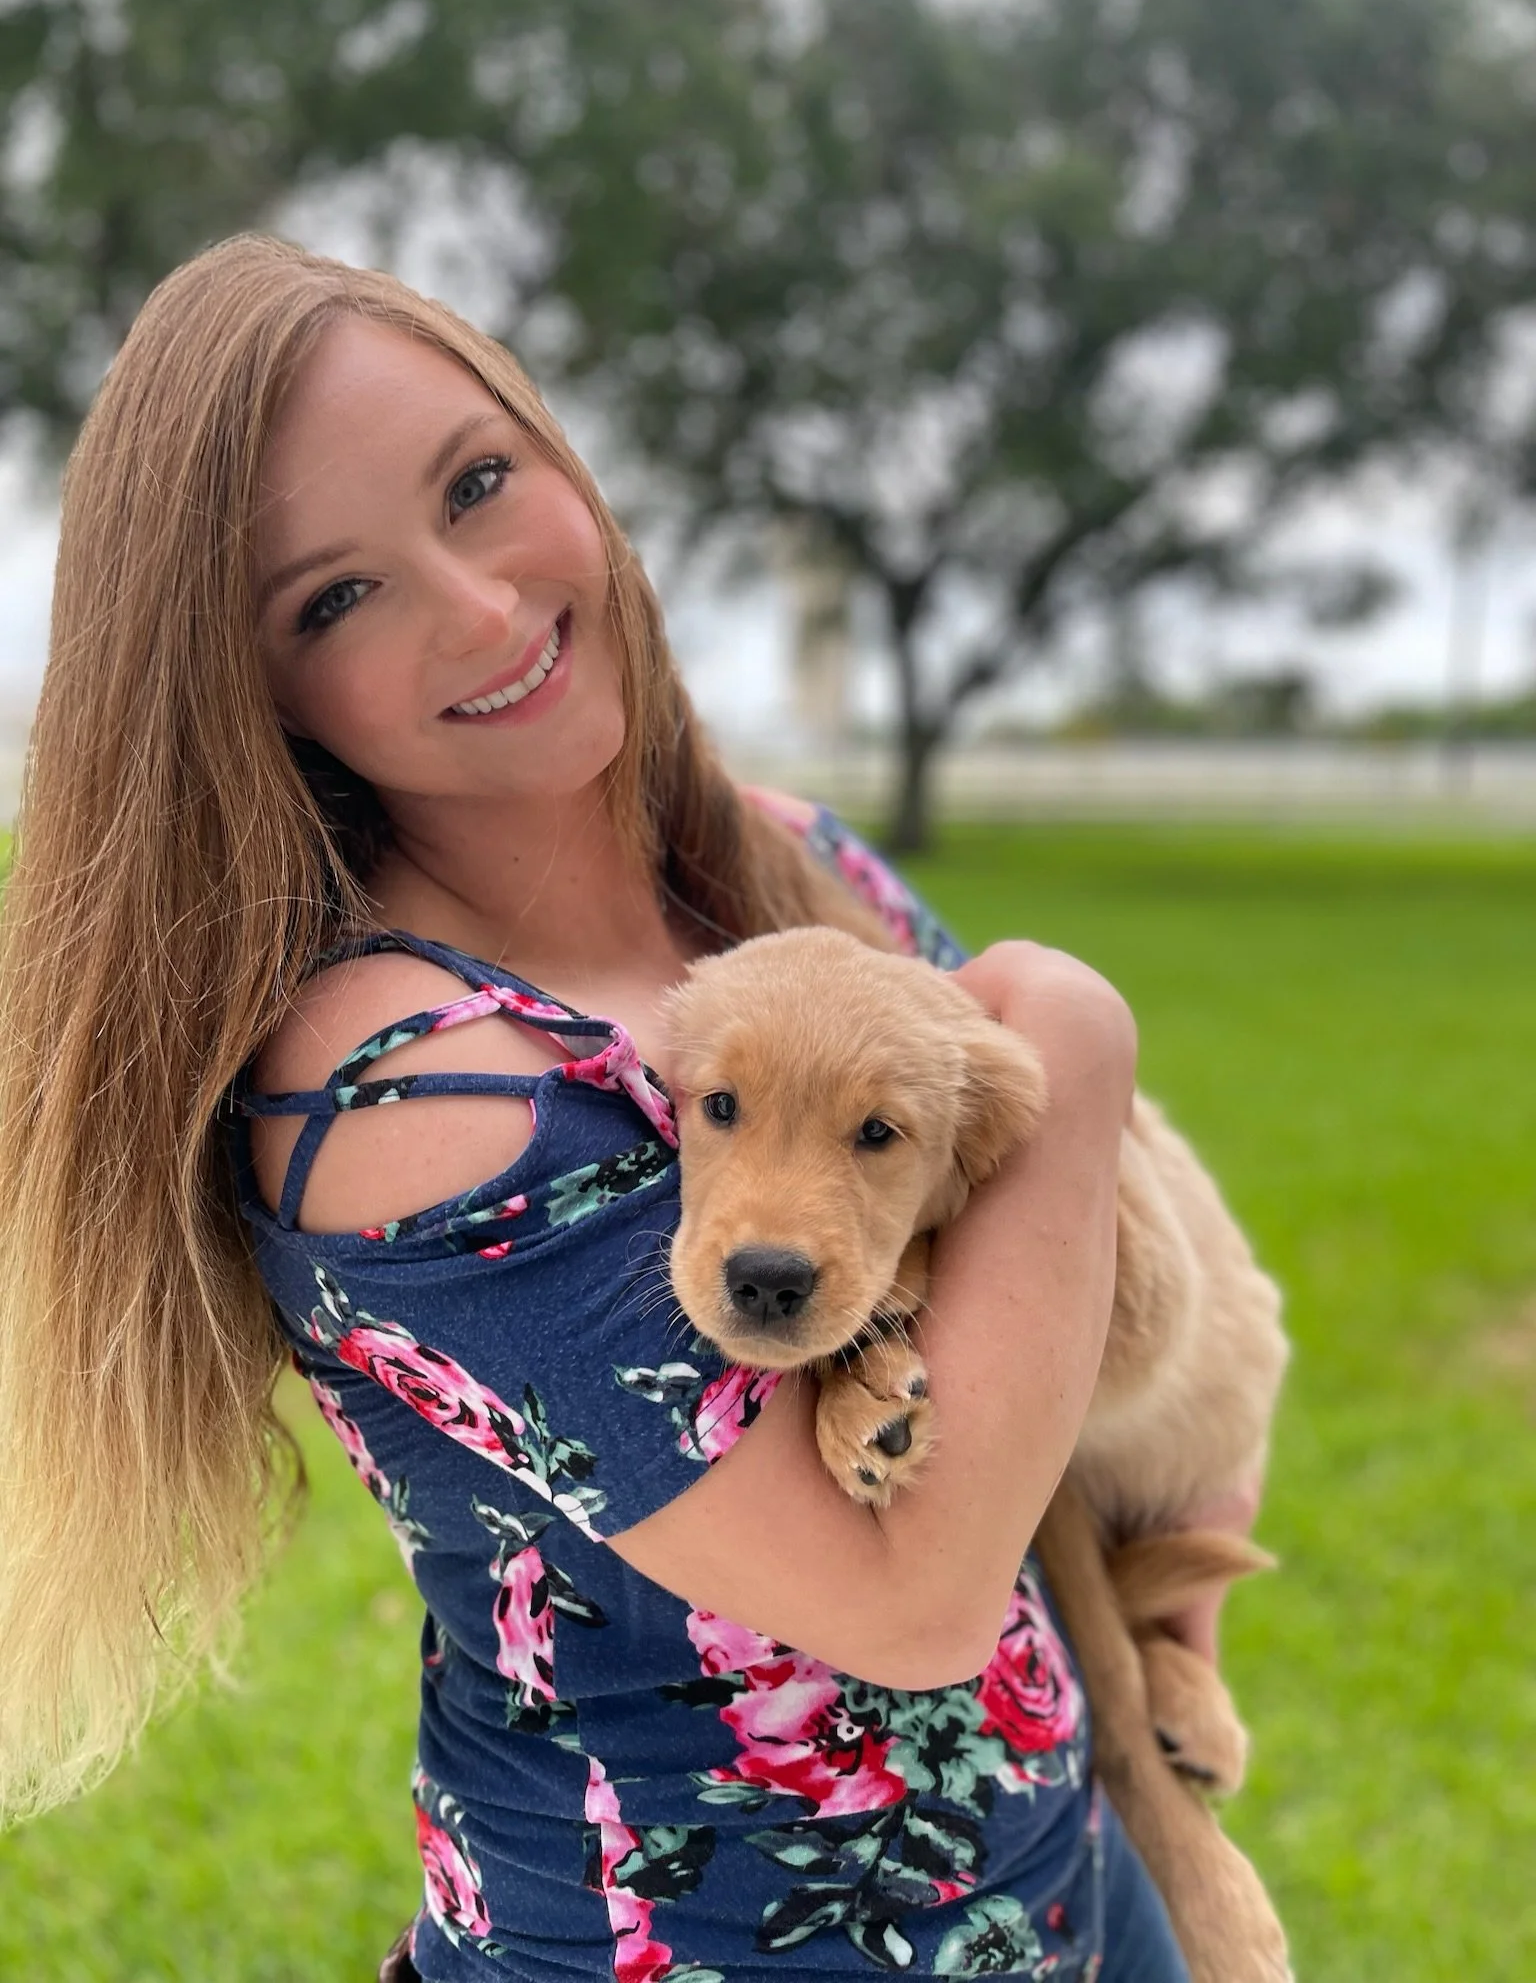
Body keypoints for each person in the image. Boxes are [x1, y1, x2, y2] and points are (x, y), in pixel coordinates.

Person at [0, 235, 1195, 1981]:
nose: (481, 610)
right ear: (254, 695)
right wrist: (1070, 1036)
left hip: (1067, 1878)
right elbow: (911, 1597)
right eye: (336, 599)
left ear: (560, 454)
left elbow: (1080, 1299)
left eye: (478, 484)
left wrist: (1175, 1611)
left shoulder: (790, 873)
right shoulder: (400, 1083)